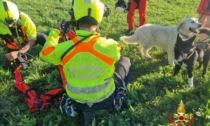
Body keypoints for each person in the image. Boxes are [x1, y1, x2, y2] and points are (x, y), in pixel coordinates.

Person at [39, 0, 131, 125]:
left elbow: (45, 53)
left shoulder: (64, 48)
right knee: (125, 61)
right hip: (105, 98)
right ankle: (119, 95)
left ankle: (74, 107)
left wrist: (56, 31)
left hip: (76, 99)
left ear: (74, 18)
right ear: (99, 19)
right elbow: (117, 52)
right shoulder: (111, 46)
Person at [0, 0, 47, 69]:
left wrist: (20, 52)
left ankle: (56, 52)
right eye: (6, 23)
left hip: (27, 41)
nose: (10, 25)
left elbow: (33, 39)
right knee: (21, 66)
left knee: (43, 37)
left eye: (13, 21)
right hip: (13, 47)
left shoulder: (24, 18)